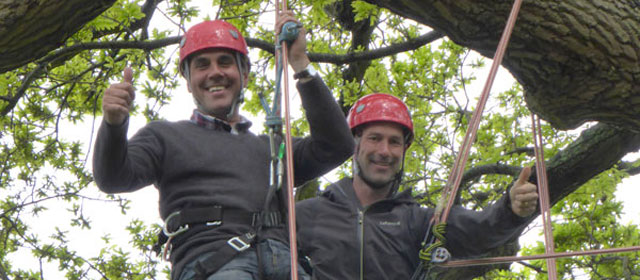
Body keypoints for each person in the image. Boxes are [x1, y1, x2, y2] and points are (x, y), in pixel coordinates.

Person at [92, 12, 353, 280]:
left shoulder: (273, 148)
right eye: (202, 65)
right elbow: (113, 178)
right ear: (189, 82)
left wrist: (299, 62)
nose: (215, 73)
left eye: (225, 63)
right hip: (214, 262)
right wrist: (114, 125)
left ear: (245, 75)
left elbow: (337, 146)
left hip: (285, 261)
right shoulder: (164, 137)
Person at [296, 93, 539, 279]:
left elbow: (479, 229)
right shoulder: (305, 215)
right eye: (374, 138)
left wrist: (511, 209)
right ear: (355, 146)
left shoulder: (419, 223)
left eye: (394, 142)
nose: (384, 151)